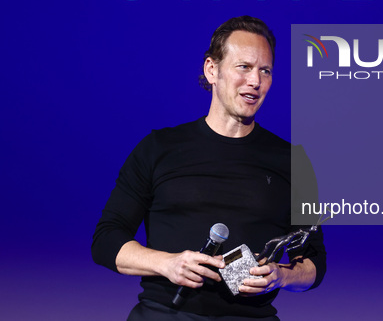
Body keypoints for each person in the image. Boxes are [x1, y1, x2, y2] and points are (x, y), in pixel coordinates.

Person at [92, 16, 326, 320]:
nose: (255, 81)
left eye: (264, 71)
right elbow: (106, 240)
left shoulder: (295, 162)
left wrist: (280, 275)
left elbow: (313, 262)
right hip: (164, 314)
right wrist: (167, 263)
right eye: (244, 67)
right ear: (211, 69)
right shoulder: (158, 148)